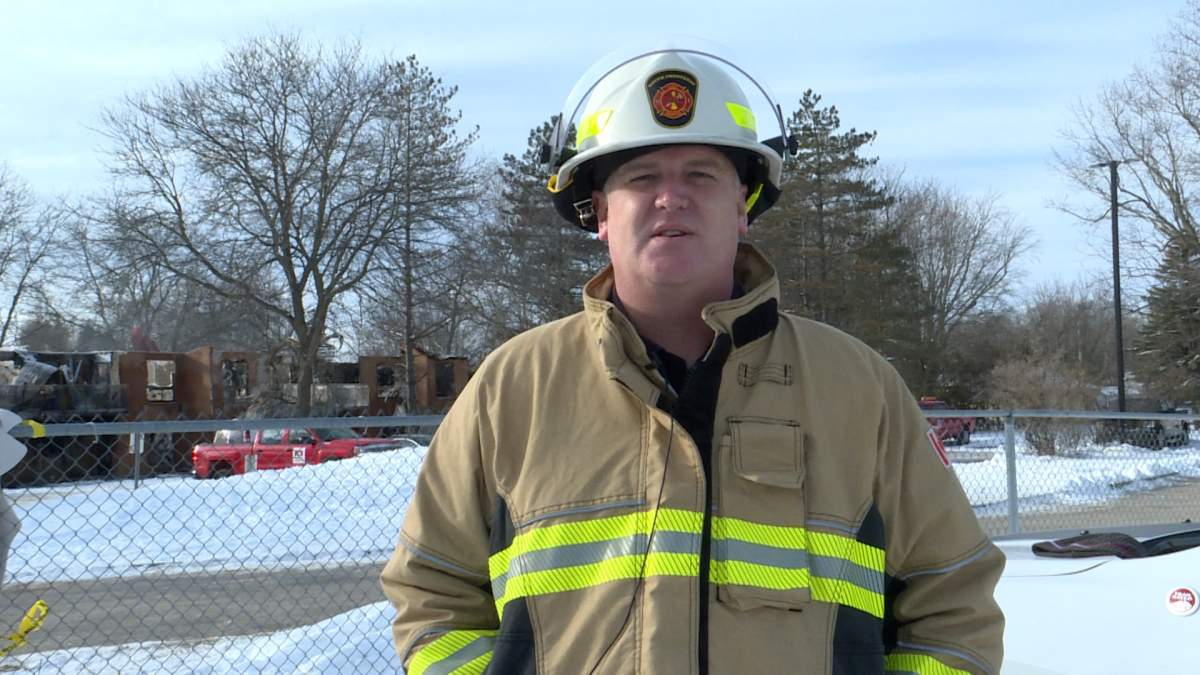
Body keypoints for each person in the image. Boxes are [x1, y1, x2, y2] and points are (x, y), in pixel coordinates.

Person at [381, 46, 1004, 675]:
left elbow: (953, 598)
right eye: (642, 177)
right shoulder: (512, 387)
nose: (670, 198)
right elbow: (432, 594)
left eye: (701, 175)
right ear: (599, 211)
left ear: (743, 206)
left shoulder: (857, 387)